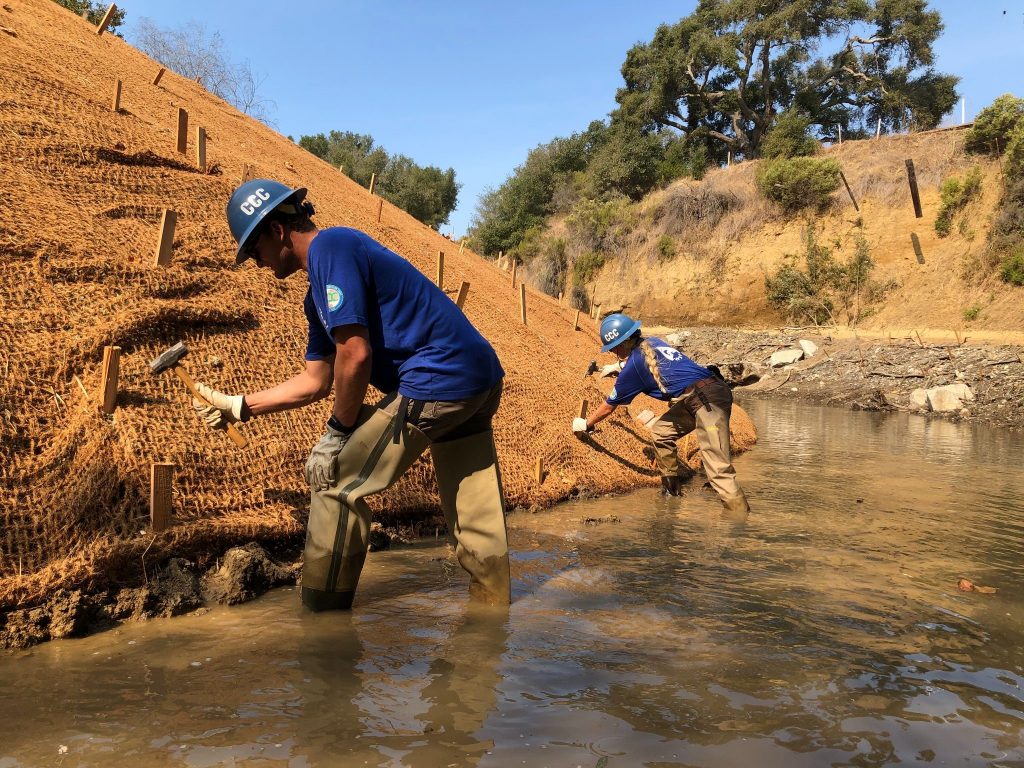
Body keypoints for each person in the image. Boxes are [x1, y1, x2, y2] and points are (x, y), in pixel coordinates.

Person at [191, 178, 510, 610]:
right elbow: (316, 381)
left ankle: (322, 624)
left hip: (437, 379)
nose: (258, 263)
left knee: (334, 478)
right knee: (475, 505)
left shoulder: (332, 248)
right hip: (476, 379)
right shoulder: (318, 295)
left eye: (255, 251)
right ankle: (491, 614)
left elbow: (355, 355)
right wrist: (239, 406)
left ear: (277, 231)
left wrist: (338, 433)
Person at [572, 313, 750, 514]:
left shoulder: (634, 366)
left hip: (707, 403)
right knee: (661, 431)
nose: (614, 352)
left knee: (718, 470)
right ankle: (671, 491)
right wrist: (618, 367)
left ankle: (740, 526)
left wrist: (586, 424)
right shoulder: (651, 342)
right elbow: (645, 363)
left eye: (614, 348)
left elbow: (609, 406)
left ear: (623, 343)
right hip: (704, 393)